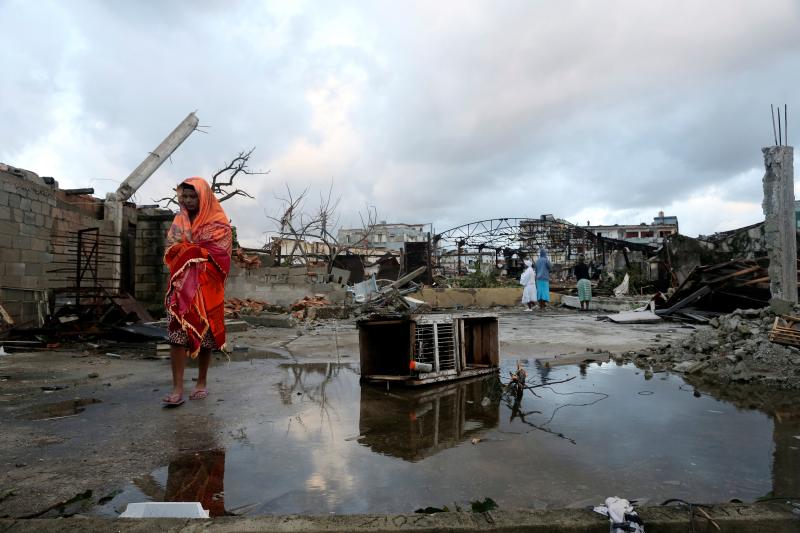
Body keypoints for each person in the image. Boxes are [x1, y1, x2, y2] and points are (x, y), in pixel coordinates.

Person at [162, 177, 232, 407]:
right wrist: (191, 251)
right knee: (176, 336)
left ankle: (201, 382)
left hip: (207, 287)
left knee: (207, 337)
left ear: (203, 197)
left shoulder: (218, 222)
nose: (189, 201)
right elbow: (171, 249)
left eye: (194, 197)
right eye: (186, 197)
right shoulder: (179, 221)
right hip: (182, 287)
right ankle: (177, 388)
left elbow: (220, 253)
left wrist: (190, 250)